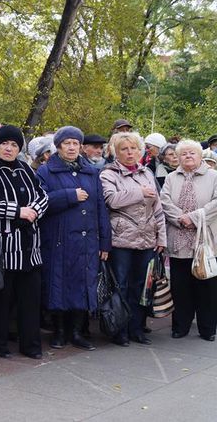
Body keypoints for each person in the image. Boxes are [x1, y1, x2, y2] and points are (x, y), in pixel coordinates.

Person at [0, 125, 48, 360]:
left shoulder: (26, 168)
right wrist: (17, 211)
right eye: (5, 143)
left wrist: (34, 210)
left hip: (30, 247)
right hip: (3, 245)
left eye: (15, 145)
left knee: (30, 299)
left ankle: (31, 345)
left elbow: (42, 196)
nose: (9, 148)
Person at [36, 126, 111, 351]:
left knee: (83, 284)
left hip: (87, 241)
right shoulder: (46, 171)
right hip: (59, 238)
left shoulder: (91, 172)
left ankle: (77, 332)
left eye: (75, 143)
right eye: (67, 143)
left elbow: (100, 207)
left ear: (81, 147)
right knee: (58, 284)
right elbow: (40, 201)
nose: (71, 147)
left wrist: (105, 241)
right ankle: (59, 332)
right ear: (58, 146)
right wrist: (69, 196)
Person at [100, 132, 166, 346]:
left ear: (141, 151)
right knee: (121, 286)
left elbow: (158, 208)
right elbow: (111, 200)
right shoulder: (108, 174)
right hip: (121, 240)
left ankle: (137, 329)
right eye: (124, 149)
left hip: (147, 238)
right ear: (115, 152)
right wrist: (139, 192)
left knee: (142, 286)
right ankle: (120, 331)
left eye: (134, 149)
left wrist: (161, 238)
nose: (130, 153)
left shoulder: (147, 173)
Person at [160, 140, 217, 342]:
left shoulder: (213, 176)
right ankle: (180, 326)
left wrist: (194, 218)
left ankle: (208, 328)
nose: (188, 156)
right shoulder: (171, 177)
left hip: (205, 239)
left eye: (192, 153)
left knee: (207, 286)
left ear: (200, 156)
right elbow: (164, 202)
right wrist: (181, 219)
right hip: (178, 237)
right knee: (180, 286)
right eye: (183, 154)